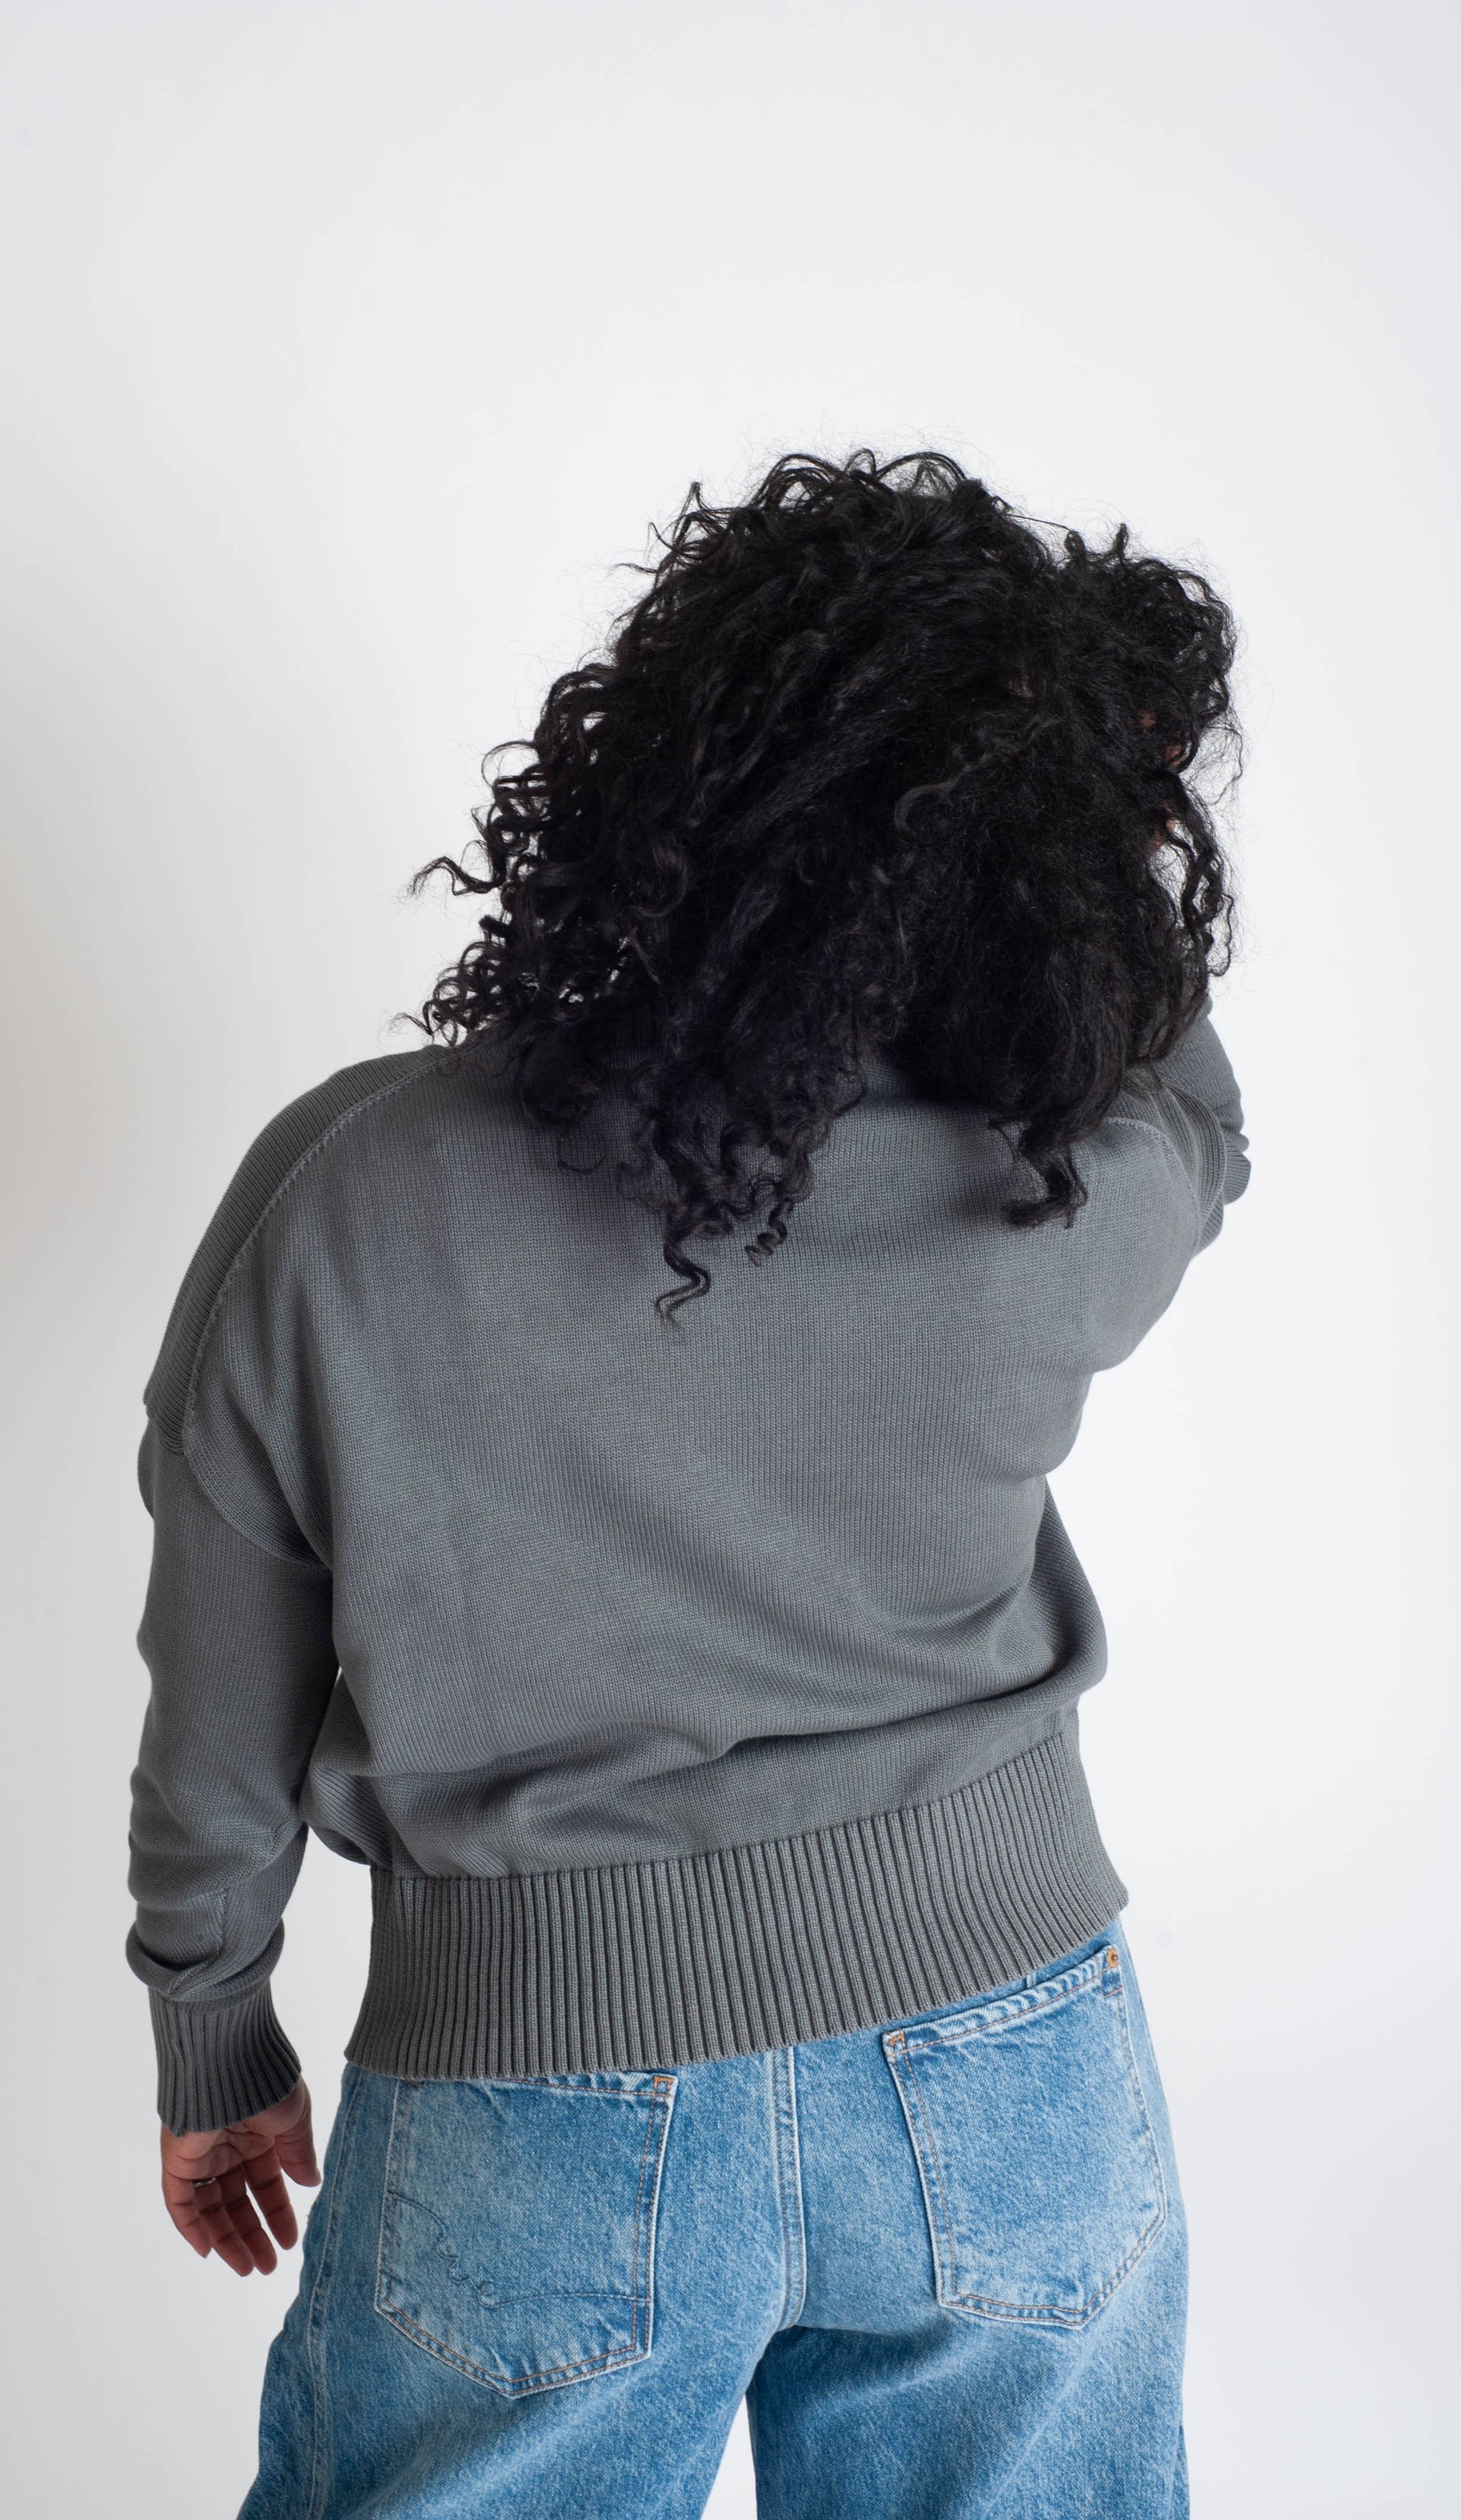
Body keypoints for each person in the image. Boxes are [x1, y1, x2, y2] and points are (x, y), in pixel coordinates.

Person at [125, 448, 1249, 2519]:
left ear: (657, 773)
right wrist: (1098, 812)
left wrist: (214, 2023)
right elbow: (1189, 1098)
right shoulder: (1055, 1188)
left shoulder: (352, 1189)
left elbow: (224, 1670)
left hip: (532, 2089)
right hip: (1013, 2061)